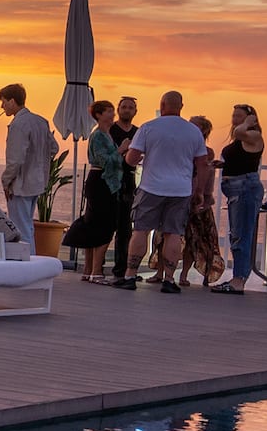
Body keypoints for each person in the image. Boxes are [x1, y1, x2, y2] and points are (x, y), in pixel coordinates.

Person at [120, 90, 213, 294]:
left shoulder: (148, 128)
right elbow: (203, 164)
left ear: (162, 105)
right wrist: (199, 191)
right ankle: (169, 280)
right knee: (174, 233)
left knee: (141, 230)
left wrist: (132, 154)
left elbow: (131, 159)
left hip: (150, 187)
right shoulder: (193, 132)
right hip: (180, 190)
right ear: (181, 106)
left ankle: (129, 275)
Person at [63, 101, 125, 282]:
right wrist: (121, 150)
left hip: (105, 183)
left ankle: (89, 269)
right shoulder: (98, 136)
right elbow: (103, 160)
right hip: (101, 183)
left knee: (95, 223)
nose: (113, 114)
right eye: (109, 111)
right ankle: (96, 271)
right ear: (98, 115)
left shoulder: (106, 135)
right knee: (104, 225)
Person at [214, 105, 265, 295]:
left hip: (245, 189)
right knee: (237, 234)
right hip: (237, 189)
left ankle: (238, 281)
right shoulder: (241, 137)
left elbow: (238, 131)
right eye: (234, 115)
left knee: (241, 236)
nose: (235, 119)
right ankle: (237, 278)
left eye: (240, 116)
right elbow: (243, 160)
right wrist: (224, 166)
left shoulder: (253, 135)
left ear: (250, 119)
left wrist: (247, 123)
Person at [0, 83, 54, 251]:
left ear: (13, 101)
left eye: (4, 102)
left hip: (21, 183)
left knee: (20, 228)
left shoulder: (18, 125)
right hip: (37, 181)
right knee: (28, 225)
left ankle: (26, 264)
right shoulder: (41, 121)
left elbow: (16, 159)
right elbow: (53, 148)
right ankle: (31, 261)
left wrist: (6, 181)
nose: (2, 106)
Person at [177, 117, 226, 289]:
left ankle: (184, 274)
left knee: (195, 240)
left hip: (199, 202)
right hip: (180, 198)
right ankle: (162, 272)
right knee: (169, 236)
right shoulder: (183, 147)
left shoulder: (206, 151)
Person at [109, 96, 139, 281]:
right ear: (118, 110)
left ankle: (121, 269)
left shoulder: (138, 132)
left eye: (131, 107)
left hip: (129, 181)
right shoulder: (110, 130)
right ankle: (96, 267)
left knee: (126, 228)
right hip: (111, 180)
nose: (127, 110)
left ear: (135, 111)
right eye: (124, 107)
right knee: (107, 224)